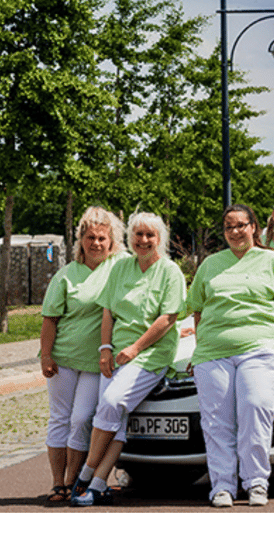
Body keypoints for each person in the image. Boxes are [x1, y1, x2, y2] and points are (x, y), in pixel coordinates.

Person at [188, 204, 274, 507]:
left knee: (254, 409)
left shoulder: (273, 261)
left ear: (254, 227)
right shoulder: (210, 264)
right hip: (214, 352)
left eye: (241, 225)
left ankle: (256, 481)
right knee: (216, 421)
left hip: (262, 348)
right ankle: (222, 486)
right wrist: (200, 349)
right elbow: (198, 311)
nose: (235, 232)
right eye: (229, 227)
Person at [70, 212, 187, 506]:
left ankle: (85, 474)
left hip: (150, 354)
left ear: (160, 239)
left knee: (110, 404)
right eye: (138, 234)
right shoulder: (121, 268)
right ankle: (98, 485)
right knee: (113, 420)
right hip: (116, 354)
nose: (144, 240)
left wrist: (135, 348)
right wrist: (105, 349)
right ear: (131, 238)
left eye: (150, 235)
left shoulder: (170, 272)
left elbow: (167, 319)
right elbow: (108, 312)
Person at [38, 207, 125, 504]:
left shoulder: (118, 267)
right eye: (90, 238)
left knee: (81, 418)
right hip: (63, 358)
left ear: (112, 241)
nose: (96, 243)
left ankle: (74, 479)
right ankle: (57, 483)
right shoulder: (66, 275)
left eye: (102, 238)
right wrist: (45, 356)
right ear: (81, 241)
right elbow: (49, 319)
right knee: (59, 419)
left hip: (96, 362)